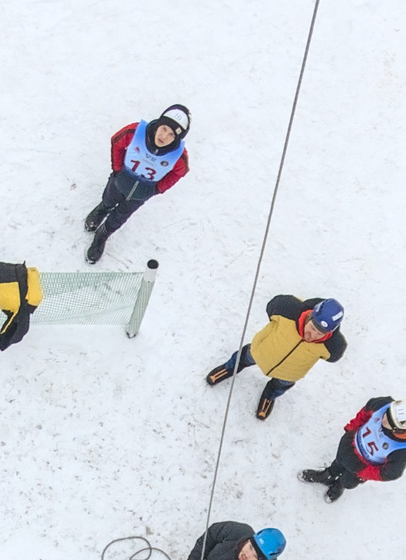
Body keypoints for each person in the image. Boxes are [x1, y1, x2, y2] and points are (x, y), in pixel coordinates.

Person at [204, 295, 344, 421]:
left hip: (288, 373)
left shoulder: (332, 346)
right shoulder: (287, 309)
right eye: (313, 327)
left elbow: (334, 356)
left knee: (280, 386)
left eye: (320, 333)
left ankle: (269, 396)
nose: (312, 335)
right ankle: (229, 368)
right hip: (262, 352)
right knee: (244, 357)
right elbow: (271, 306)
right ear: (310, 316)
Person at [82, 105, 190, 264]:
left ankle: (102, 234)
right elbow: (116, 142)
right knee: (109, 198)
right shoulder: (136, 133)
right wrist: (118, 169)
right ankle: (101, 209)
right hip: (120, 180)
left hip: (141, 193)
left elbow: (180, 172)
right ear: (159, 123)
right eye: (164, 128)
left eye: (171, 134)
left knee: (121, 215)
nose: (164, 136)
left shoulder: (179, 156)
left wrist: (158, 188)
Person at [300, 396, 406, 501]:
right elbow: (364, 413)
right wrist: (351, 429)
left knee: (348, 481)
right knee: (338, 463)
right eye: (387, 414)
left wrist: (363, 472)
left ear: (399, 430)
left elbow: (390, 473)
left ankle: (339, 485)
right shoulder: (382, 405)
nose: (383, 419)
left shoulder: (401, 450)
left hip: (361, 467)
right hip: (349, 446)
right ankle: (327, 476)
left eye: (389, 422)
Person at [0, 259, 44, 351]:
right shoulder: (26, 304)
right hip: (8, 278)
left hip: (13, 274)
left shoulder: (33, 302)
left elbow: (33, 273)